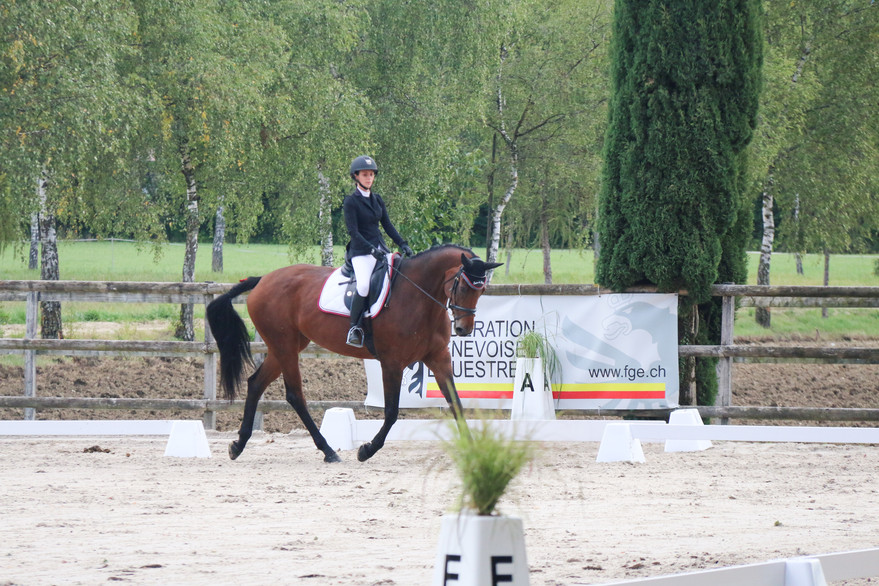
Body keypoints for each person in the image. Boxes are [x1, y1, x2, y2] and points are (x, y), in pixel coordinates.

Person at [343, 155, 414, 347]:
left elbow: (388, 225)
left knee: (398, 280)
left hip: (381, 249)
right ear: (356, 176)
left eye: (371, 175)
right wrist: (371, 250)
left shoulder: (377, 200)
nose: (369, 178)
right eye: (365, 175)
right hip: (361, 252)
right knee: (364, 286)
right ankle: (354, 328)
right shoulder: (351, 201)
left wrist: (402, 243)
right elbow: (353, 232)